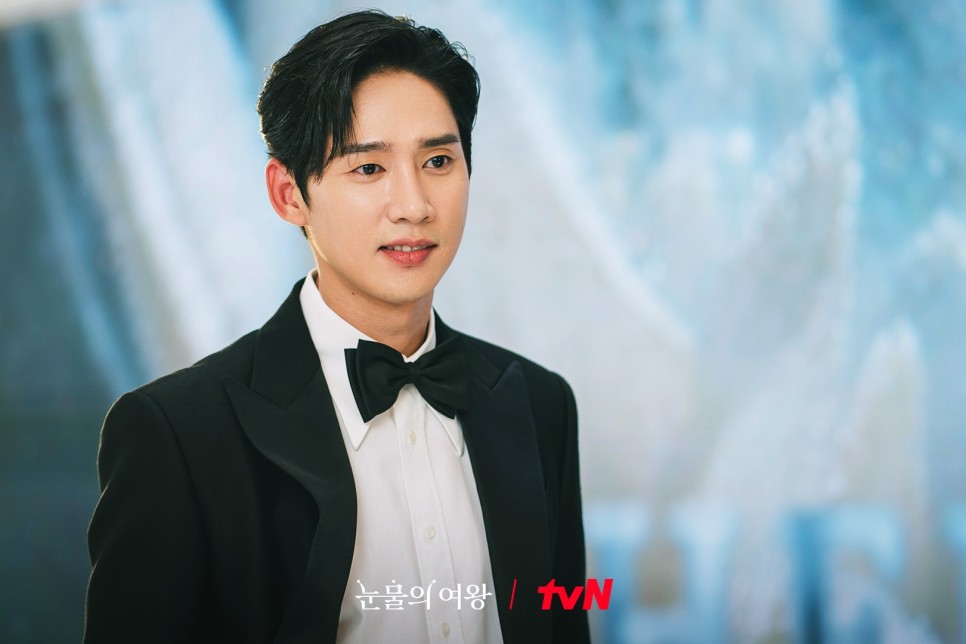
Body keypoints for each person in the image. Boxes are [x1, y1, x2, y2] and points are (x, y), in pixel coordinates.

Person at [84, 10, 589, 644]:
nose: (414, 206)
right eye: (368, 169)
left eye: (438, 160)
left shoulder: (539, 404)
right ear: (289, 193)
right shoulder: (178, 434)